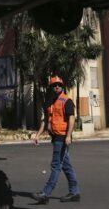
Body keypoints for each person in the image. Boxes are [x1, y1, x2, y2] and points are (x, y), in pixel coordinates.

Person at [32, 76, 80, 204]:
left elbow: (71, 119)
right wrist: (38, 135)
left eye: (59, 85)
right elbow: (46, 120)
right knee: (66, 165)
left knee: (56, 165)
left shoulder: (67, 101)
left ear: (62, 86)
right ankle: (75, 192)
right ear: (51, 87)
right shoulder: (50, 102)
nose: (57, 87)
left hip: (62, 138)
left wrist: (69, 135)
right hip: (55, 137)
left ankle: (45, 193)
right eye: (54, 85)